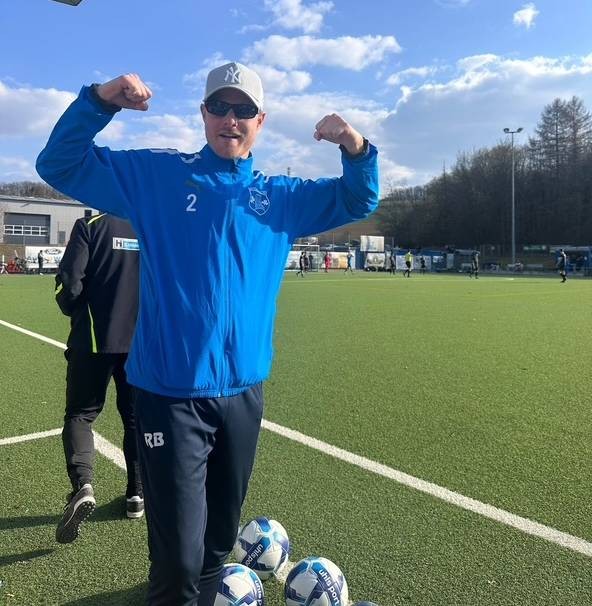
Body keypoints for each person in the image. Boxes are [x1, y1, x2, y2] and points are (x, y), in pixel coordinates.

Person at [37, 61, 379, 606]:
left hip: (243, 395)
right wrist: (99, 101)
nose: (230, 118)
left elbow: (359, 199)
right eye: (219, 106)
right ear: (203, 113)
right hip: (170, 395)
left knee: (217, 546)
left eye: (243, 109)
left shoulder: (281, 197)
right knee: (177, 563)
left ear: (260, 121)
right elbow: (58, 162)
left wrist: (355, 148)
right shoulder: (158, 177)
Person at [54, 213, 143, 545]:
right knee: (134, 419)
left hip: (92, 340)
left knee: (80, 414)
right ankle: (136, 494)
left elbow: (69, 284)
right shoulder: (147, 223)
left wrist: (73, 308)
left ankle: (83, 485)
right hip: (139, 344)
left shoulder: (90, 226)